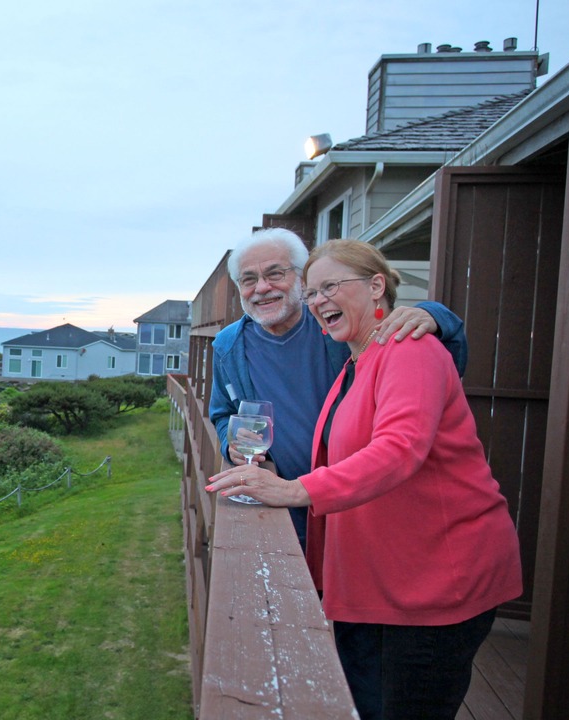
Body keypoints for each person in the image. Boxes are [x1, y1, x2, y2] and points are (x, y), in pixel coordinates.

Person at [206, 239, 523, 720]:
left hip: (434, 577)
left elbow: (400, 446)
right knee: (362, 700)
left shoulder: (408, 348)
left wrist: (295, 490)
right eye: (315, 292)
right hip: (367, 569)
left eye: (327, 286)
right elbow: (225, 414)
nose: (318, 301)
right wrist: (239, 441)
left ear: (376, 286)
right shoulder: (350, 361)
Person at [207, 228, 466, 546]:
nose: (262, 288)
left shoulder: (337, 327)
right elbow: (222, 414)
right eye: (249, 279)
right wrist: (230, 444)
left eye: (275, 273)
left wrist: (435, 316)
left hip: (369, 505)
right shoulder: (228, 347)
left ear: (302, 279)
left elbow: (430, 362)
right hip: (297, 513)